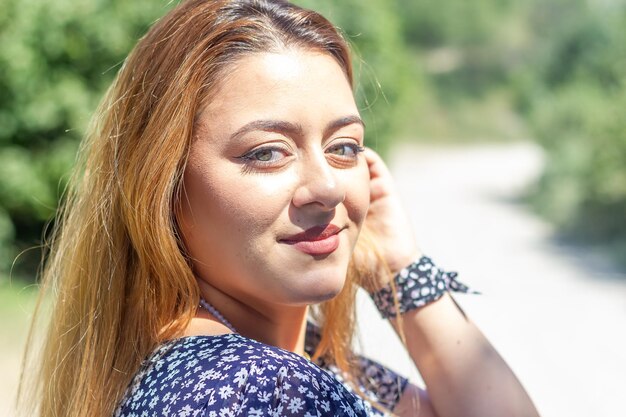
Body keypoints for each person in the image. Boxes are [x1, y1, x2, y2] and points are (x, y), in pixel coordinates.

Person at [18, 1, 541, 416]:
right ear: (163, 187)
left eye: (344, 146)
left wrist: (396, 269)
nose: (327, 187)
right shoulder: (254, 389)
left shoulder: (294, 357)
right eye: (267, 153)